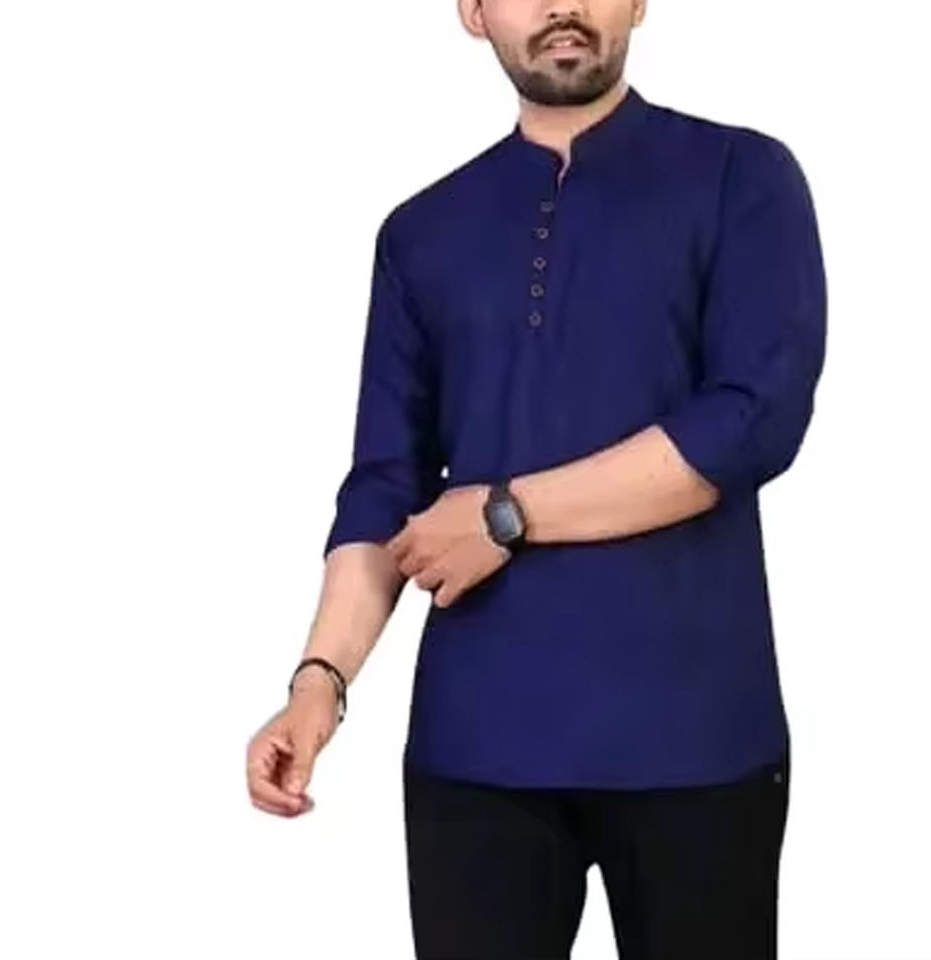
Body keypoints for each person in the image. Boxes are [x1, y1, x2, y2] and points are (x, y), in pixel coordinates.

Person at [246, 1, 827, 956]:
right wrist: (320, 681)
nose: (562, 6)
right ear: (474, 13)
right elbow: (386, 482)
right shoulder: (421, 233)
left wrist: (507, 514)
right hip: (476, 751)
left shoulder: (741, 176)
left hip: (698, 742)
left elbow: (752, 420)